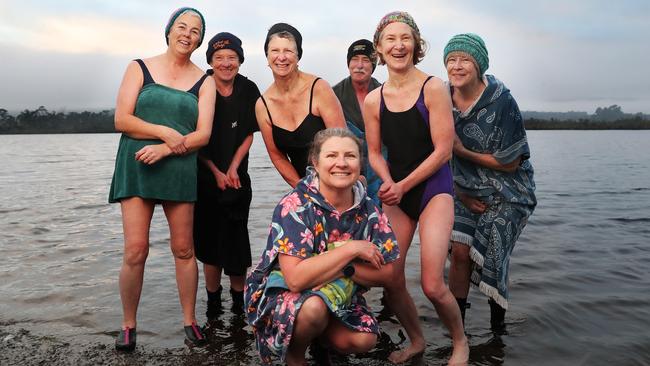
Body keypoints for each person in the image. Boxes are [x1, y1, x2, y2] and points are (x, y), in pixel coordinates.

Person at [244, 128, 402, 366]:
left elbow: (389, 273)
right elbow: (296, 280)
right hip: (285, 292)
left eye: (350, 156)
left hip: (337, 291)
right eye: (331, 156)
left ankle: (322, 341)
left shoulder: (369, 208)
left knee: (365, 339)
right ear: (315, 163)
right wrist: (351, 249)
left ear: (361, 164)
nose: (341, 163)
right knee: (314, 308)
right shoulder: (295, 205)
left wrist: (343, 268)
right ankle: (295, 355)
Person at [363, 11, 469, 364]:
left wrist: (404, 183)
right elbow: (375, 153)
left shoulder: (433, 87)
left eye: (405, 38)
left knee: (432, 284)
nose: (398, 45)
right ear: (379, 48)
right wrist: (390, 182)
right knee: (390, 279)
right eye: (390, 39)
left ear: (416, 44)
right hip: (398, 192)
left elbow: (443, 150)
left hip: (433, 189)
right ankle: (418, 341)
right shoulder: (372, 100)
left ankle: (460, 342)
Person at [108, 7, 215, 351]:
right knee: (135, 250)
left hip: (179, 166)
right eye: (181, 26)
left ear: (200, 40)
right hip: (137, 164)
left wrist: (168, 148)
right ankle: (128, 325)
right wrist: (162, 133)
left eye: (195, 30)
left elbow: (203, 135)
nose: (187, 34)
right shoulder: (139, 66)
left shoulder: (205, 80)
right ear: (169, 31)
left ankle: (190, 321)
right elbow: (122, 120)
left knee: (184, 249)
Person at [443, 33, 536, 333]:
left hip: (509, 189)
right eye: (451, 60)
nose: (457, 66)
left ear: (479, 65)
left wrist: (462, 151)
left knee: (494, 250)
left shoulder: (502, 101)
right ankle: (457, 330)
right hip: (461, 186)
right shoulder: (442, 98)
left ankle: (497, 330)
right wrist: (460, 191)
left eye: (465, 60)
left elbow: (511, 161)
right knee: (459, 252)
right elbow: (435, 152)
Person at [193, 32, 260, 319]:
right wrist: (215, 171)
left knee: (235, 241)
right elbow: (192, 138)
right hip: (204, 178)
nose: (226, 63)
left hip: (236, 180)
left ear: (240, 61)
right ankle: (212, 304)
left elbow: (249, 133)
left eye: (232, 57)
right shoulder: (199, 86)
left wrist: (232, 168)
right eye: (219, 58)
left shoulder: (248, 89)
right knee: (209, 243)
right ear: (210, 60)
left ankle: (239, 305)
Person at [256, 23, 346, 188]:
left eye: (288, 51)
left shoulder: (319, 88)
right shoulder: (263, 105)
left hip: (340, 178)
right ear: (267, 56)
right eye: (275, 51)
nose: (281, 57)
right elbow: (277, 156)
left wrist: (330, 186)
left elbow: (343, 142)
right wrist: (304, 190)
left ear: (298, 56)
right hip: (303, 188)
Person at [332, 39, 383, 204]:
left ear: (373, 65)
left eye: (366, 60)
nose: (359, 65)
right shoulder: (333, 96)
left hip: (381, 173)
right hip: (347, 169)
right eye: (354, 59)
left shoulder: (386, 94)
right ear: (348, 63)